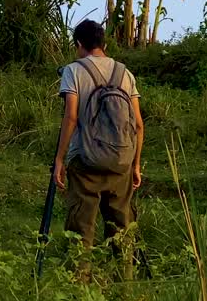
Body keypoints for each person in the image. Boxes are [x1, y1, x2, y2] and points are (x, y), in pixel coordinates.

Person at [53, 19, 144, 254]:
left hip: (85, 160)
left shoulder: (73, 70)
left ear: (79, 44)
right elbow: (138, 125)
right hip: (121, 161)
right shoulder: (125, 74)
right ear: (104, 44)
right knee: (122, 231)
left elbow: (71, 117)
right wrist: (135, 165)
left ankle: (81, 274)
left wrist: (60, 159)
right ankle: (124, 275)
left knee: (80, 230)